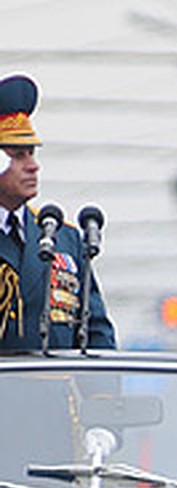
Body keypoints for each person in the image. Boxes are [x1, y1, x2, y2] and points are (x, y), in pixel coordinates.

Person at [0, 73, 115, 351]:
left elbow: (96, 331)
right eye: (17, 155)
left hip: (56, 393)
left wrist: (103, 395)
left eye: (32, 153)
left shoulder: (64, 238)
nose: (32, 166)